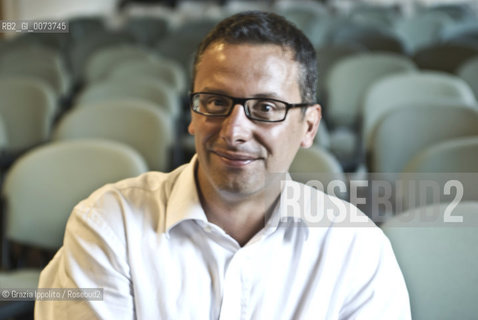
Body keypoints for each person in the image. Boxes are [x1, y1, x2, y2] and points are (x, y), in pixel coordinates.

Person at [36, 11, 411, 319]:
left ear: (308, 126)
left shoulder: (357, 248)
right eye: (215, 102)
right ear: (192, 114)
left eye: (266, 108)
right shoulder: (110, 226)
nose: (234, 131)